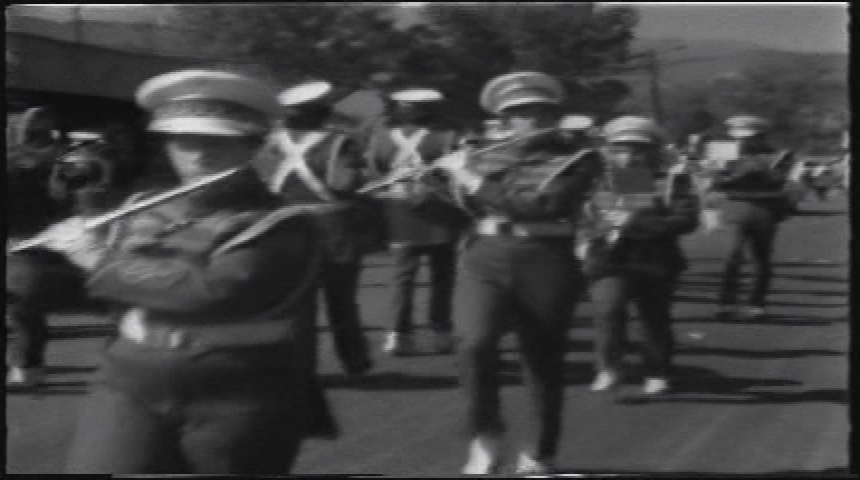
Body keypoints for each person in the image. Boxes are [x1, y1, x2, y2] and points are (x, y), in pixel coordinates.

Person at [49, 69, 333, 474]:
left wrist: (98, 260)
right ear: (167, 144)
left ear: (252, 145)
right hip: (130, 379)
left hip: (238, 390)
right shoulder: (146, 205)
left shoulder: (282, 222)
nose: (199, 156)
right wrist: (42, 263)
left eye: (218, 142)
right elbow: (101, 294)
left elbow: (213, 290)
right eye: (185, 142)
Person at [432, 72, 603, 475]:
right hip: (484, 255)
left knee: (541, 359)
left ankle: (540, 453)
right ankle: (485, 437)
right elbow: (456, 211)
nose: (535, 119)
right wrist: (423, 193)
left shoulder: (579, 158)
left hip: (545, 255)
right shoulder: (480, 155)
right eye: (522, 113)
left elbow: (540, 205)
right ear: (505, 121)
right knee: (473, 343)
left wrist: (468, 178)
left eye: (543, 111)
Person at [252, 79, 376, 376]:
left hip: (283, 227)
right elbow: (343, 184)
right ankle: (354, 360)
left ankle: (298, 364)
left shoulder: (269, 143)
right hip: (333, 230)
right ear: (320, 113)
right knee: (341, 301)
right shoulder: (339, 142)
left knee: (294, 303)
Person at [578, 116, 700, 396]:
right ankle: (608, 366)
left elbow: (687, 220)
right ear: (608, 149)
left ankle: (657, 370)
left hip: (656, 258)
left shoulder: (671, 180)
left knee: (654, 318)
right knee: (608, 309)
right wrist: (593, 231)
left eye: (638, 148)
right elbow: (581, 216)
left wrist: (639, 224)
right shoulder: (596, 180)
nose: (629, 155)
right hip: (609, 259)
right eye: (620, 148)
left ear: (652, 151)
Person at [364, 88, 468, 356]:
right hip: (442, 209)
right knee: (443, 275)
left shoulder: (383, 138)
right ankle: (441, 329)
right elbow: (461, 175)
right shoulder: (449, 136)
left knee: (402, 275)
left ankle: (397, 333)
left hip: (399, 210)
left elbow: (375, 172)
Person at [711, 115, 796, 320]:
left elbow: (778, 181)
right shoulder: (723, 154)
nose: (743, 141)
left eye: (749, 137)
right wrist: (717, 170)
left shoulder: (777, 156)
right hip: (734, 207)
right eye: (739, 137)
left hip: (765, 209)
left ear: (761, 137)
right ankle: (726, 302)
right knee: (732, 254)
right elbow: (715, 184)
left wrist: (749, 171)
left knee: (761, 258)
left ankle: (756, 303)